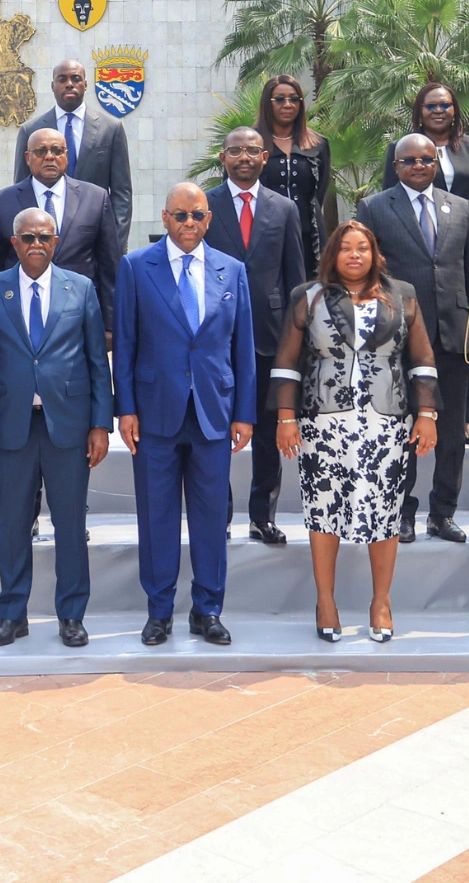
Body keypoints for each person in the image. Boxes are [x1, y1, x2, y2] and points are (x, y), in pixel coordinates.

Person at [271, 221, 438, 642]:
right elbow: (286, 363)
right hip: (323, 423)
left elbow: (422, 360)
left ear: (374, 252)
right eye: (345, 248)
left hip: (386, 422)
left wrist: (428, 414)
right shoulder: (307, 297)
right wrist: (285, 417)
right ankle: (325, 601)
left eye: (362, 247)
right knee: (323, 510)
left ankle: (380, 602)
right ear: (333, 254)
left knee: (384, 511)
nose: (354, 255)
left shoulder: (403, 295)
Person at [115, 182, 256, 647]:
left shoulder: (231, 271)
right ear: (164, 217)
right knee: (157, 517)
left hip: (214, 412)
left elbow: (243, 350)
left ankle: (207, 609)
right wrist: (126, 408)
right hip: (155, 413)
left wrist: (244, 413)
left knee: (211, 517)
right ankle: (159, 612)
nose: (189, 224)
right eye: (180, 215)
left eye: (197, 215)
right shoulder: (137, 267)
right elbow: (127, 344)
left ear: (209, 219)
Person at [0, 206, 111, 648]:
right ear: (14, 243)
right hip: (11, 426)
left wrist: (100, 423)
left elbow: (95, 361)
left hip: (67, 425)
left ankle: (71, 615)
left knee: (69, 524)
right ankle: (12, 614)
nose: (36, 245)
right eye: (27, 238)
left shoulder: (80, 289)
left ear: (56, 242)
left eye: (44, 238)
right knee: (12, 524)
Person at [352, 133, 469, 543]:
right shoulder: (374, 207)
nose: (419, 166)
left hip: (452, 336)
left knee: (449, 435)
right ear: (396, 166)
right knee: (401, 430)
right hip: (398, 340)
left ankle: (442, 513)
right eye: (409, 160)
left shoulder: (461, 208)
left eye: (427, 160)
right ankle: (402, 512)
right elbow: (364, 275)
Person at [205, 128, 307, 543]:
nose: (243, 157)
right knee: (215, 431)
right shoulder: (204, 205)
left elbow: (295, 276)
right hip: (215, 336)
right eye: (235, 151)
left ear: (265, 157)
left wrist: (297, 337)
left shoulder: (284, 208)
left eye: (251, 150)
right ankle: (220, 514)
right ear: (223, 157)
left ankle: (262, 515)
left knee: (268, 433)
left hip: (270, 335)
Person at [0, 126, 118, 332]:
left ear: (66, 156)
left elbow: (109, 267)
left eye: (57, 150)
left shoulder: (96, 198)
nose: (49, 157)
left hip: (80, 316)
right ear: (27, 157)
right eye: (41, 151)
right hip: (20, 317)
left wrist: (110, 326)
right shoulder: (2, 202)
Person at [14, 59, 135, 246]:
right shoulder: (30, 131)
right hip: (42, 242)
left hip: (95, 241)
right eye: (62, 79)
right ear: (53, 86)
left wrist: (114, 245)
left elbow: (122, 194)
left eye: (76, 78)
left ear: (85, 84)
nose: (69, 84)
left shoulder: (110, 129)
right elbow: (21, 189)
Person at [380, 82, 469, 234]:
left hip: (466, 238)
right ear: (420, 111)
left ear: (454, 109)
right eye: (430, 106)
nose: (438, 110)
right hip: (417, 239)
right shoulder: (401, 149)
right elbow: (391, 199)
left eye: (445, 105)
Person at [257, 74, 332, 268]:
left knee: (307, 293)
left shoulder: (317, 144)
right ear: (267, 103)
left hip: (308, 237)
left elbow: (319, 193)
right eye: (280, 99)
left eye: (294, 99)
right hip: (264, 236)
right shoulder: (250, 143)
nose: (288, 104)